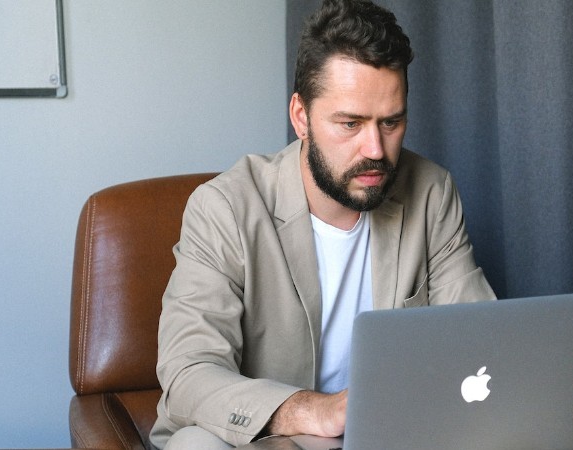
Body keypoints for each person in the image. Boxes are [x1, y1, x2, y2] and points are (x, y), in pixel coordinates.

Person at [150, 0, 496, 448]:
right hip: (261, 438)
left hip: (387, 434)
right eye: (350, 123)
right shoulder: (225, 208)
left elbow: (477, 341)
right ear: (301, 117)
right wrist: (311, 410)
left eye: (391, 122)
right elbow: (189, 372)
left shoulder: (431, 192)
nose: (375, 149)